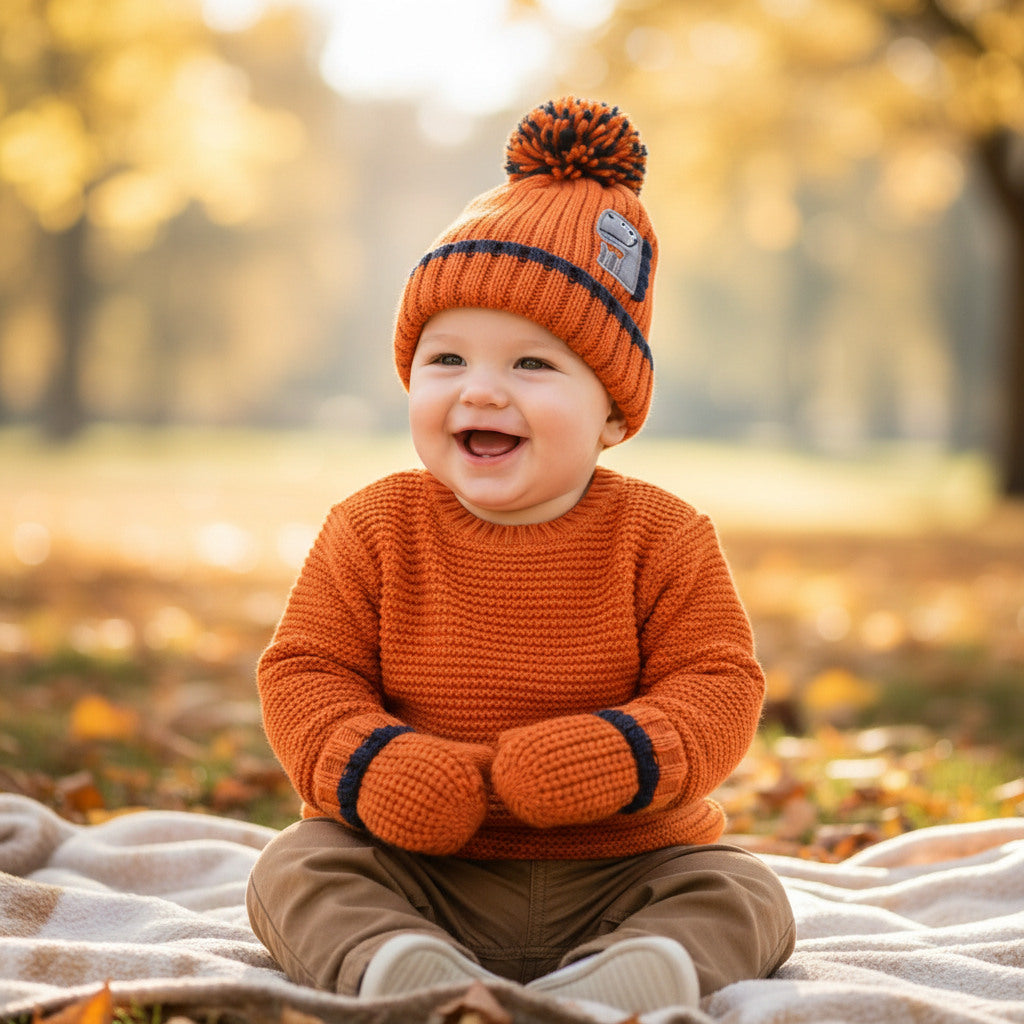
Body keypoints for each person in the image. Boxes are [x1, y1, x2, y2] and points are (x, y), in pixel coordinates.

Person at [246, 97, 795, 1016]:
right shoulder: (374, 527)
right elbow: (306, 673)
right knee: (295, 868)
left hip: (623, 865)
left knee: (744, 892)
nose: (481, 392)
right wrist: (377, 764)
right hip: (417, 867)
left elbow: (718, 685)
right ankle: (398, 966)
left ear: (612, 412)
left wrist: (621, 753)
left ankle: (640, 969)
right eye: (447, 360)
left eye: (533, 365)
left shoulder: (662, 536)